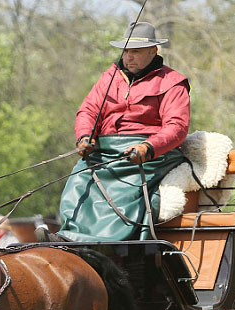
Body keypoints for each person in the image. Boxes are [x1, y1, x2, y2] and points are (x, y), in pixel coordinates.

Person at [38, 21, 190, 242]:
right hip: (105, 149)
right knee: (79, 179)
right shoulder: (109, 78)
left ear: (153, 51)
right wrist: (84, 136)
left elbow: (177, 127)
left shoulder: (173, 82)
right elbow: (88, 110)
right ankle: (70, 236)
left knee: (123, 190)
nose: (129, 57)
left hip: (149, 154)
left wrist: (148, 148)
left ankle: (107, 242)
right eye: (126, 51)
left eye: (136, 52)